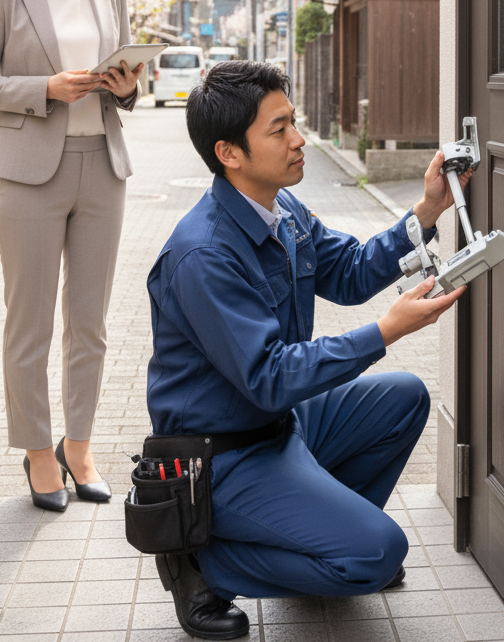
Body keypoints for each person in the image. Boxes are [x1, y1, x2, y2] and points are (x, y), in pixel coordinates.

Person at [145, 61, 470, 639]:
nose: (299, 140)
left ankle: (324, 547)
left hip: (279, 425)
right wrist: (384, 332)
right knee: (379, 554)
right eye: (279, 130)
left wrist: (427, 211)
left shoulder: (282, 208)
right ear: (229, 153)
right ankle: (200, 561)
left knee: (404, 396)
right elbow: (268, 376)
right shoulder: (203, 256)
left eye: (293, 122)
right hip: (223, 457)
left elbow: (346, 272)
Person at [0, 0, 144, 512]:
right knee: (30, 322)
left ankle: (80, 445)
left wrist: (126, 89)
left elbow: (125, 83)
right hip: (29, 172)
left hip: (104, 166)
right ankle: (39, 452)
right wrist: (44, 88)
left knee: (89, 324)